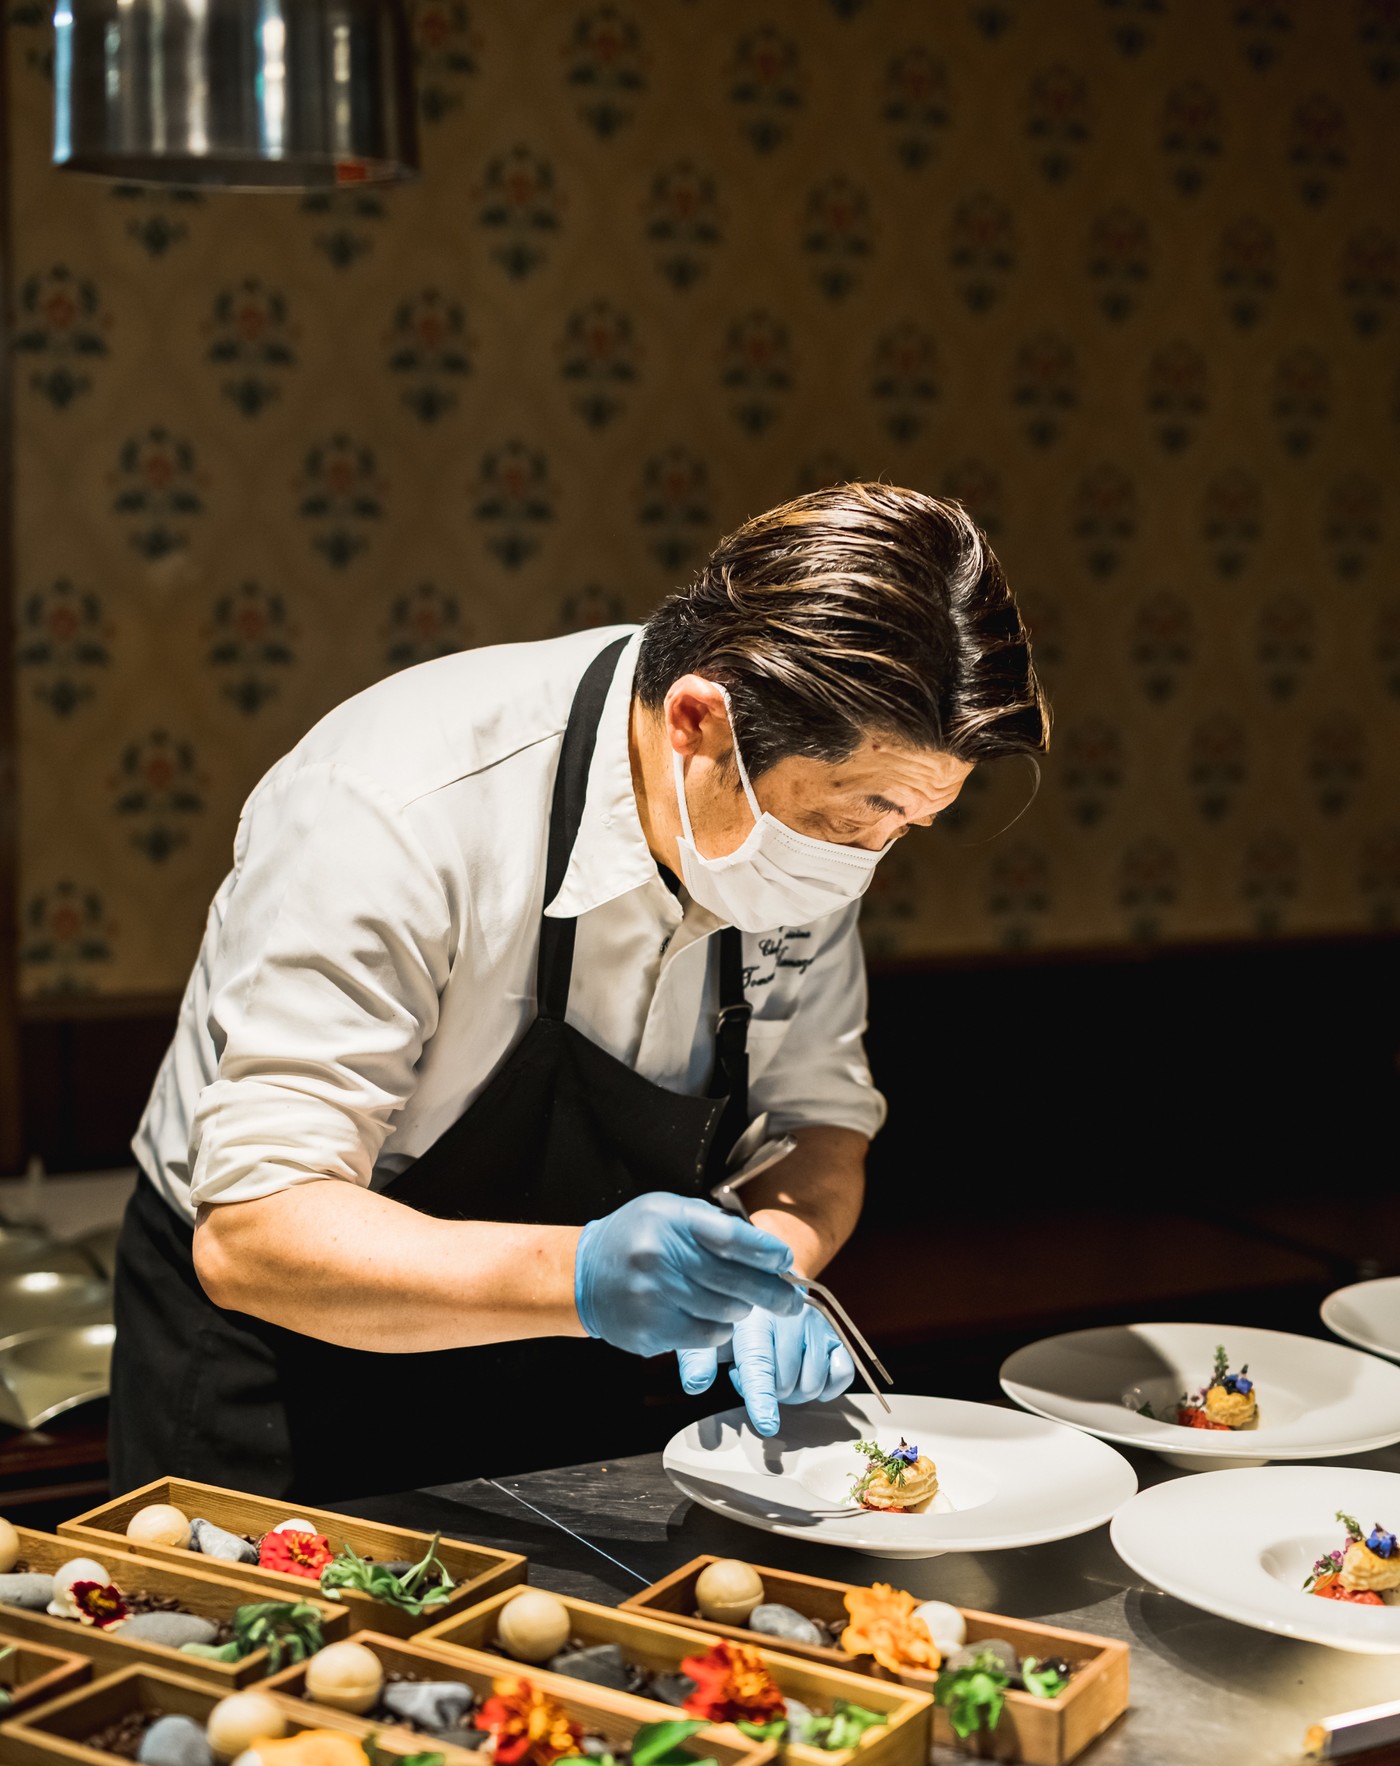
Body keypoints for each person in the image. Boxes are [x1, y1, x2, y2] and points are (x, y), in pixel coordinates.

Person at [109, 483, 1048, 1500]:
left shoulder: (810, 832)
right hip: (286, 1363)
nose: (859, 866)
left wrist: (763, 1270)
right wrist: (584, 1279)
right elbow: (257, 1237)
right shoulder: (392, 808)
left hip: (571, 1355)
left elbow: (819, 1123)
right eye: (842, 824)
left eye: (900, 831)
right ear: (697, 723)